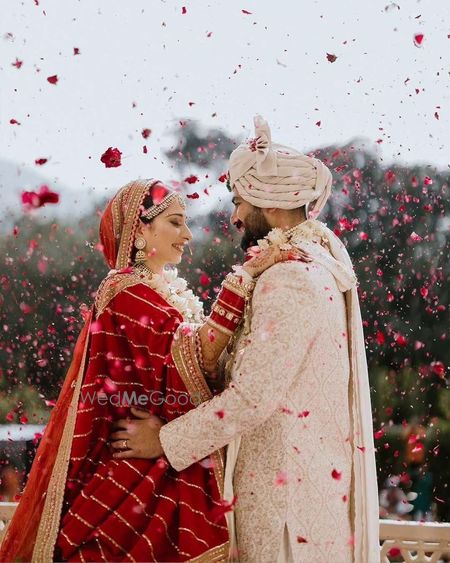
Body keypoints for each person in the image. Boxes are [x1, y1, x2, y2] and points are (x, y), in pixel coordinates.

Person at [110, 116, 380, 562]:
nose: (235, 216)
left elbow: (252, 396)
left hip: (285, 517)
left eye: (238, 201)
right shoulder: (311, 266)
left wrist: (165, 441)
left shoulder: (290, 277)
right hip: (302, 503)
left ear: (266, 200)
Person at [0, 178, 310, 562]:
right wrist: (245, 278)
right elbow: (194, 357)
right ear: (140, 230)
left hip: (154, 458)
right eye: (175, 222)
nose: (188, 235)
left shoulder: (159, 291)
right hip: (133, 473)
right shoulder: (123, 290)